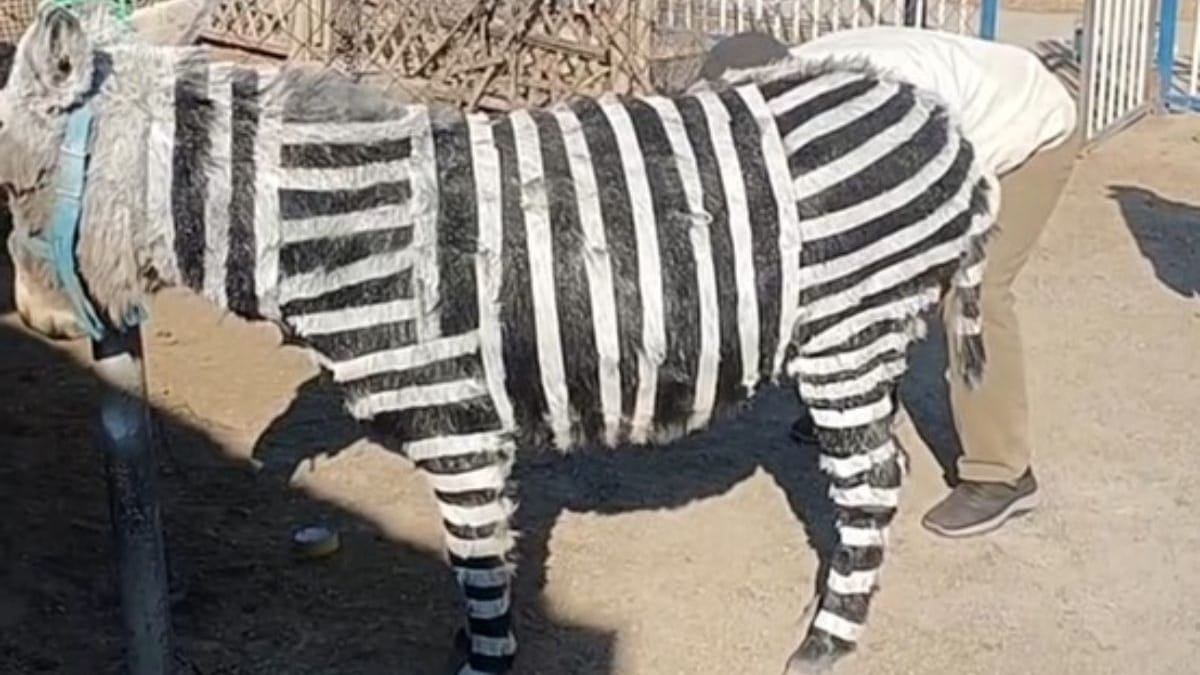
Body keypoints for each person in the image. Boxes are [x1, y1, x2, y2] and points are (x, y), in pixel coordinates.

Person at [699, 27, 1080, 539]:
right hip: (962, 107)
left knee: (974, 293)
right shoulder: (795, 93)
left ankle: (1003, 474)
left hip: (1026, 128)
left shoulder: (886, 102)